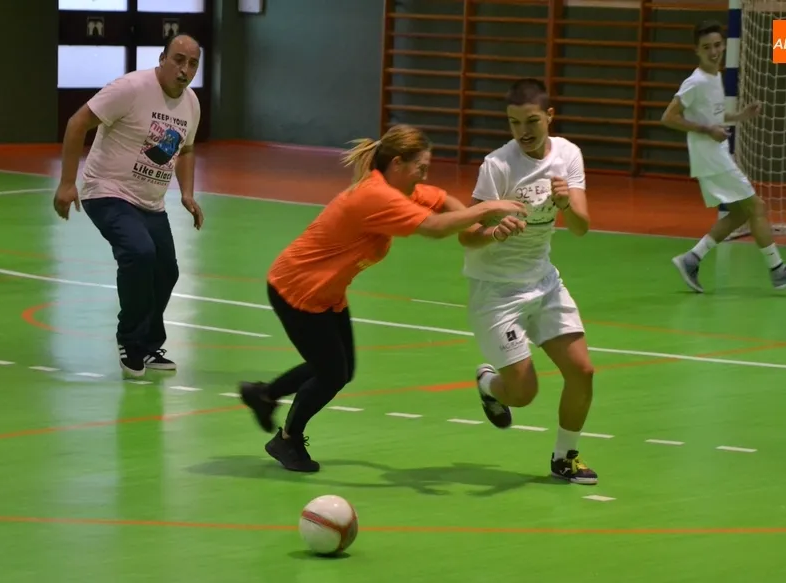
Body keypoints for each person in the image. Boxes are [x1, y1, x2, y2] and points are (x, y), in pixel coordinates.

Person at [238, 123, 528, 473]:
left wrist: (484, 230)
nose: (424, 175)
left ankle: (264, 395)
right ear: (397, 164)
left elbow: (443, 202)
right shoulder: (377, 196)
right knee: (331, 373)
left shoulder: (399, 189)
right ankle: (287, 439)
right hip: (297, 289)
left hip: (325, 291)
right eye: (420, 167)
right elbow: (434, 228)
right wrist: (486, 209)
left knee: (339, 369)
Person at [459, 78, 599, 485]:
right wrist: (492, 231)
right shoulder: (498, 166)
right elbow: (466, 235)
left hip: (544, 281)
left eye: (532, 121)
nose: (523, 131)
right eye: (514, 122)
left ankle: (565, 457)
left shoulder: (568, 155)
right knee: (523, 394)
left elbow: (581, 227)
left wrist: (565, 203)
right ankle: (489, 383)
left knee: (582, 371)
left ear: (549, 116)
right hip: (497, 292)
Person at [52, 33, 205, 378]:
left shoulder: (191, 104)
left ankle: (148, 344)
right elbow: (77, 123)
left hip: (151, 202)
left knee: (166, 270)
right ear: (162, 58)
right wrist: (67, 182)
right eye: (178, 60)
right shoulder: (131, 88)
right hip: (107, 191)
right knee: (140, 252)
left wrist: (187, 193)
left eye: (193, 63)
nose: (184, 69)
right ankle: (130, 340)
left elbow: (186, 149)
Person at [662, 20, 786, 292]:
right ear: (696, 50)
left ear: (724, 45)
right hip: (711, 156)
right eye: (706, 47)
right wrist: (707, 130)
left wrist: (741, 115)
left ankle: (691, 259)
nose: (713, 52)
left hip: (714, 155)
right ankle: (778, 270)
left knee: (737, 214)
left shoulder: (715, 77)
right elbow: (669, 117)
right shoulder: (695, 81)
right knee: (757, 207)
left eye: (717, 45)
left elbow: (714, 114)